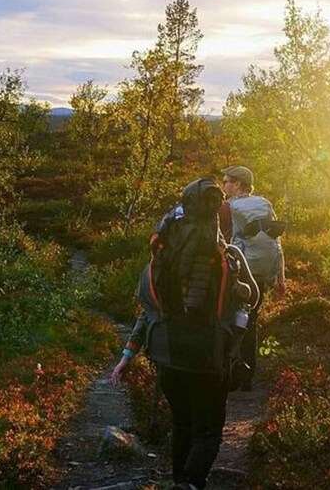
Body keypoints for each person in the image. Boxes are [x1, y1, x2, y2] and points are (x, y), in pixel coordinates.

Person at [111, 178, 258, 490]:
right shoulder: (227, 259)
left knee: (182, 424)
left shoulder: (165, 256)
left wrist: (127, 355)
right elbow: (249, 303)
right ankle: (190, 484)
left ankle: (180, 480)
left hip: (165, 353)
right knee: (207, 430)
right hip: (207, 358)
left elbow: (149, 310)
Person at [219, 166, 286, 391]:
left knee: (230, 320)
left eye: (227, 181)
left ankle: (231, 377)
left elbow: (221, 242)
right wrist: (280, 279)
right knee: (250, 321)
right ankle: (247, 377)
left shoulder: (227, 208)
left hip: (238, 274)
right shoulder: (264, 205)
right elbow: (276, 242)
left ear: (238, 184)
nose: (224, 185)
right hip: (259, 274)